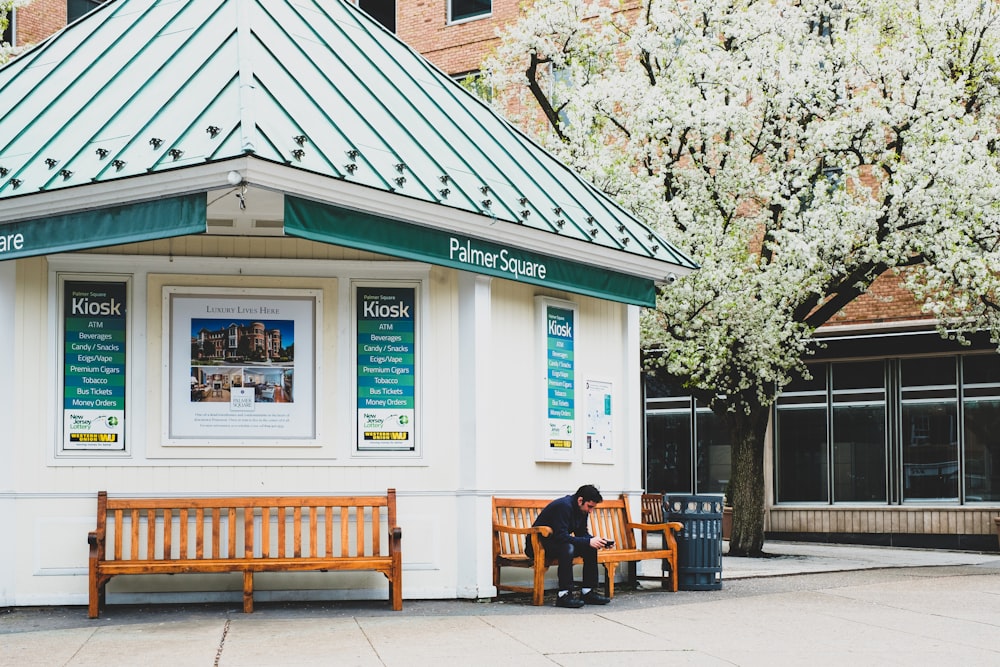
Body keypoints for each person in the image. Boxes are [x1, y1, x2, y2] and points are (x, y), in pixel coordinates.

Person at [525, 484, 613, 608]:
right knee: (568, 547)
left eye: (593, 508)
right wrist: (588, 541)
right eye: (589, 507)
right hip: (538, 546)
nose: (590, 511)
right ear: (580, 500)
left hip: (556, 543)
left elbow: (581, 533)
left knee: (590, 546)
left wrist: (599, 541)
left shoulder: (582, 509)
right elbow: (561, 536)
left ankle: (587, 592)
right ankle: (564, 595)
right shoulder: (563, 506)